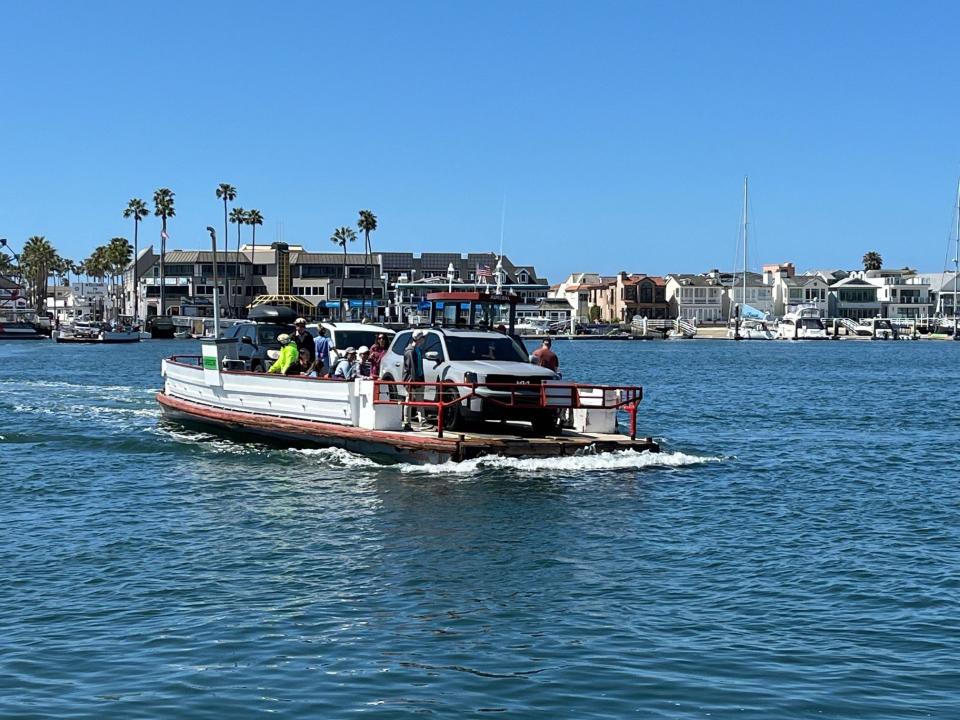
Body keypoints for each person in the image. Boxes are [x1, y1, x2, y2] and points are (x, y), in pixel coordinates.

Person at [402, 330, 426, 430]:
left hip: (418, 378)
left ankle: (422, 421)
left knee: (420, 400)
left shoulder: (417, 350)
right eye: (423, 337)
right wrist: (414, 381)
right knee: (409, 400)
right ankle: (407, 422)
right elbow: (411, 368)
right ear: (419, 339)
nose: (424, 339)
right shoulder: (410, 351)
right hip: (411, 380)